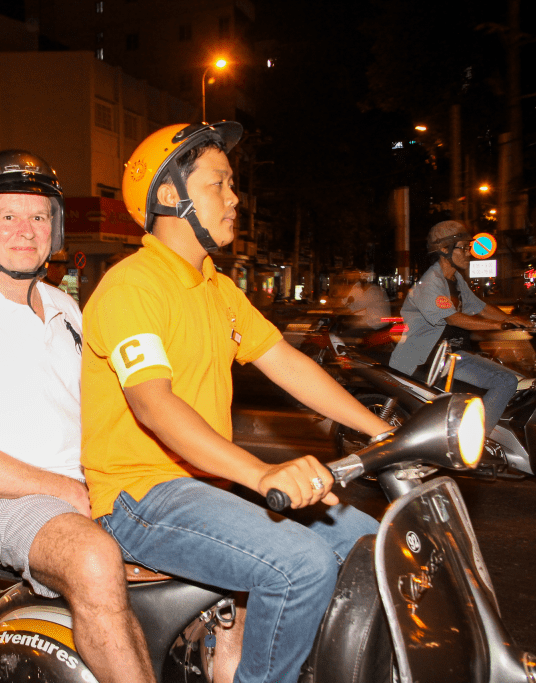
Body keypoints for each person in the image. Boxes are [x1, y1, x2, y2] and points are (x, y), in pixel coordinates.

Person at [81, 122, 393, 683]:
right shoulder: (133, 287)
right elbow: (153, 404)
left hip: (204, 486)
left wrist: (383, 433)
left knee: (374, 543)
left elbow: (286, 363)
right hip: (140, 495)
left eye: (232, 185)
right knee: (300, 565)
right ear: (171, 194)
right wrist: (261, 471)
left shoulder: (216, 288)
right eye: (219, 183)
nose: (234, 198)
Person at [0, 150, 155, 683]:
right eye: (7, 216)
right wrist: (65, 489)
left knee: (226, 545)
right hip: (4, 502)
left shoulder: (68, 308)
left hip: (89, 482)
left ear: (56, 229)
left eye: (39, 216)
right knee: (93, 559)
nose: (26, 230)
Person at [389, 220, 530, 436]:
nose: (469, 253)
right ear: (444, 250)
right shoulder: (430, 283)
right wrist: (499, 325)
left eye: (468, 247)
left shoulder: (455, 279)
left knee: (521, 382)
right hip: (427, 359)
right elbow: (453, 319)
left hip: (451, 354)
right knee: (506, 382)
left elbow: (480, 307)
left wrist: (514, 320)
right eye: (463, 248)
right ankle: (475, 442)